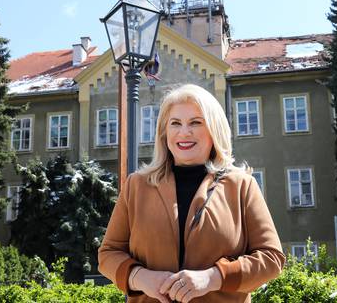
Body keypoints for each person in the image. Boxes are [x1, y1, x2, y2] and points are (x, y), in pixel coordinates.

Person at [98, 84, 284, 303]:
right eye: (175, 123)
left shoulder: (241, 185)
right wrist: (140, 277)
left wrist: (213, 278)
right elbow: (108, 254)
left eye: (196, 122)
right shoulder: (136, 186)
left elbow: (272, 259)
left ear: (214, 130)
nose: (184, 132)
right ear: (164, 132)